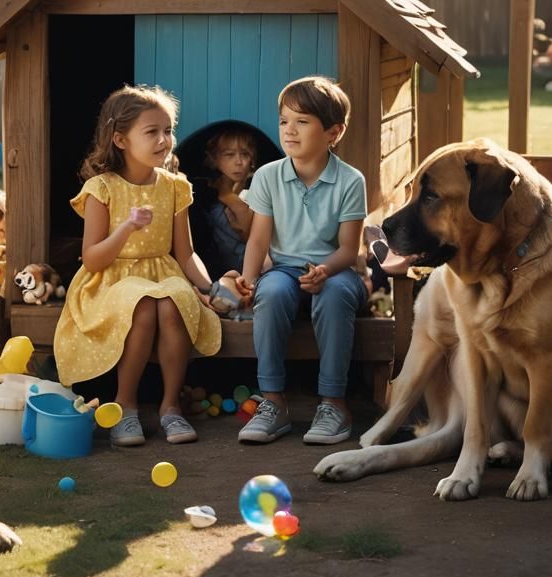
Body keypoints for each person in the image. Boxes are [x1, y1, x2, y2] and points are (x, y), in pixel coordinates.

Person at [53, 85, 222, 446]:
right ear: (120, 139)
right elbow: (93, 258)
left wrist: (211, 287)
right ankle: (125, 407)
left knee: (174, 298)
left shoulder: (176, 187)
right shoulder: (102, 188)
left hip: (162, 273)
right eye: (152, 132)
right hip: (110, 282)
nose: (164, 140)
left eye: (168, 130)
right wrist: (127, 227)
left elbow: (185, 253)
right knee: (143, 304)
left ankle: (171, 407)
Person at [235, 76, 366, 446]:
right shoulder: (267, 176)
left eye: (302, 122)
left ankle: (334, 404)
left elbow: (348, 249)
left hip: (337, 270)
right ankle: (273, 402)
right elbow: (259, 238)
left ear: (333, 132)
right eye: (283, 121)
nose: (289, 131)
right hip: (285, 270)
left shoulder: (350, 181)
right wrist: (248, 279)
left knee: (335, 294)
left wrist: (326, 270)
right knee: (272, 290)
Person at [194, 127, 259, 281]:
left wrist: (227, 196)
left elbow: (248, 230)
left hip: (252, 269)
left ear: (252, 160)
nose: (238, 162)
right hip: (216, 270)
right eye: (229, 155)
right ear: (214, 159)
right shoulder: (204, 192)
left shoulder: (256, 189)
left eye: (245, 154)